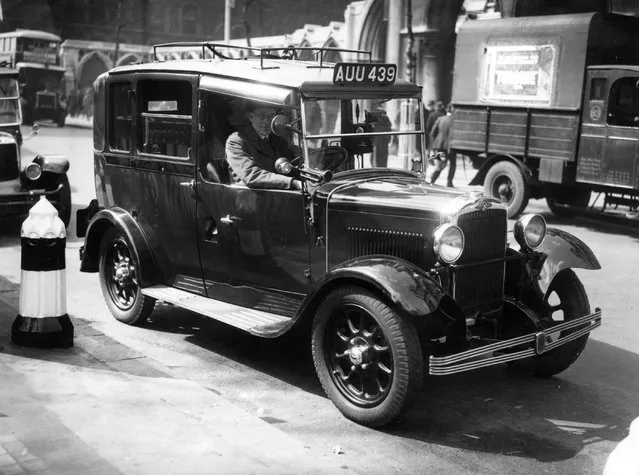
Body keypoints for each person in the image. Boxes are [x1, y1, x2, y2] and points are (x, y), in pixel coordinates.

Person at [225, 105, 302, 189]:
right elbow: (251, 175)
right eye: (262, 116)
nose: (266, 121)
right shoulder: (236, 141)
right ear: (251, 117)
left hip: (280, 195)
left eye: (271, 116)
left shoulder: (278, 140)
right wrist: (291, 182)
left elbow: (292, 164)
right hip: (251, 197)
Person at [429, 103, 456, 187]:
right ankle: (449, 182)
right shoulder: (455, 120)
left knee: (440, 164)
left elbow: (432, 133)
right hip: (451, 147)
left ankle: (432, 180)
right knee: (453, 164)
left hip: (440, 146)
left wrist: (436, 142)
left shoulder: (440, 119)